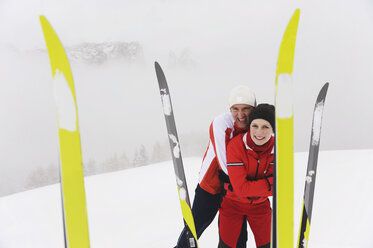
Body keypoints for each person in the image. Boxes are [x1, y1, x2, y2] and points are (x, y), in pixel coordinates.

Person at [175, 85, 256, 248]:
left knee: (236, 237)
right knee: (196, 227)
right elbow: (224, 160)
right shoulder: (221, 123)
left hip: (235, 190)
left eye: (246, 109)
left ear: (253, 108)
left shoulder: (256, 126)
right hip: (211, 185)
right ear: (230, 109)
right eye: (235, 109)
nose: (240, 115)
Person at [218, 104, 275, 248]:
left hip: (260, 206)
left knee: (267, 245)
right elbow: (241, 188)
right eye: (255, 125)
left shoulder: (277, 149)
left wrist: (272, 186)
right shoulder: (236, 146)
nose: (259, 132)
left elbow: (281, 185)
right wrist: (269, 184)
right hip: (232, 204)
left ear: (273, 130)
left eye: (265, 127)